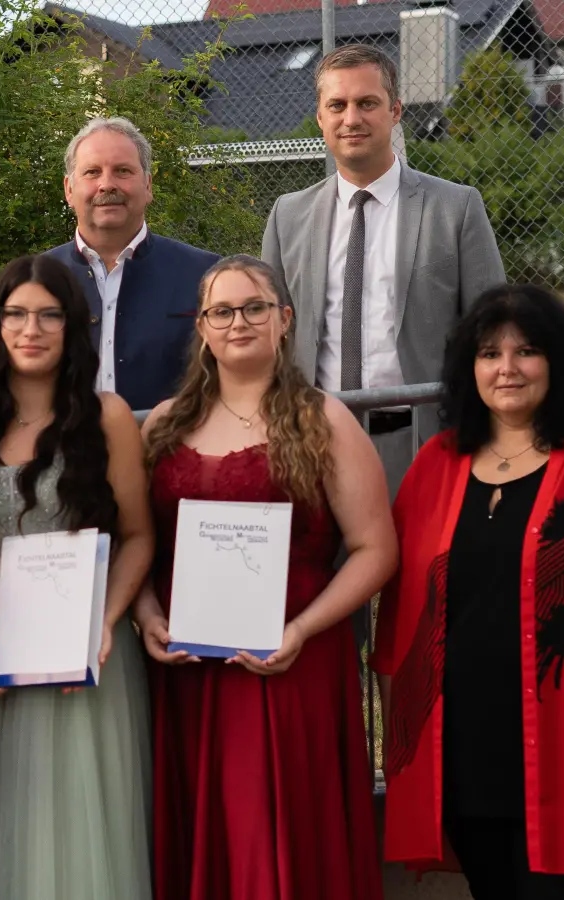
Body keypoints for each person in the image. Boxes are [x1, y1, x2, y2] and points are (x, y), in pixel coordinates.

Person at [373, 284, 564, 897]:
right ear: (468, 368)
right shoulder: (436, 464)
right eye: (489, 353)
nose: (507, 369)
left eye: (526, 351)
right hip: (464, 747)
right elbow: (401, 616)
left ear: (557, 362)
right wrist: (401, 738)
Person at [135, 255, 395, 900]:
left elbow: (375, 549)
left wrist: (301, 630)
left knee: (284, 831)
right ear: (202, 327)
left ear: (283, 319)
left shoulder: (323, 419)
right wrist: (146, 614)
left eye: (254, 308)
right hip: (188, 671)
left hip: (291, 662)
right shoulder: (163, 423)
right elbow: (137, 543)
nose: (238, 323)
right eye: (222, 311)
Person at [0, 254, 156, 899]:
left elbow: (138, 537)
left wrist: (102, 623)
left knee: (85, 828)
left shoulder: (108, 417)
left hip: (88, 652)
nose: (31, 329)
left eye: (49, 315)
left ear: (72, 326)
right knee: (0, 826)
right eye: (16, 314)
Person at [261, 44, 505, 493]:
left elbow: (495, 330)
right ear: (320, 117)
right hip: (313, 446)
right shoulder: (287, 216)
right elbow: (271, 336)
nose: (351, 119)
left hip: (423, 444)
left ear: (395, 112)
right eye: (337, 105)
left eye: (367, 103)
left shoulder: (455, 209)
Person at [44, 116, 219, 415]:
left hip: (173, 442)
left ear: (148, 185)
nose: (107, 184)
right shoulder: (35, 280)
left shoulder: (206, 276)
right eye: (92, 172)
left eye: (123, 171)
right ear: (69, 189)